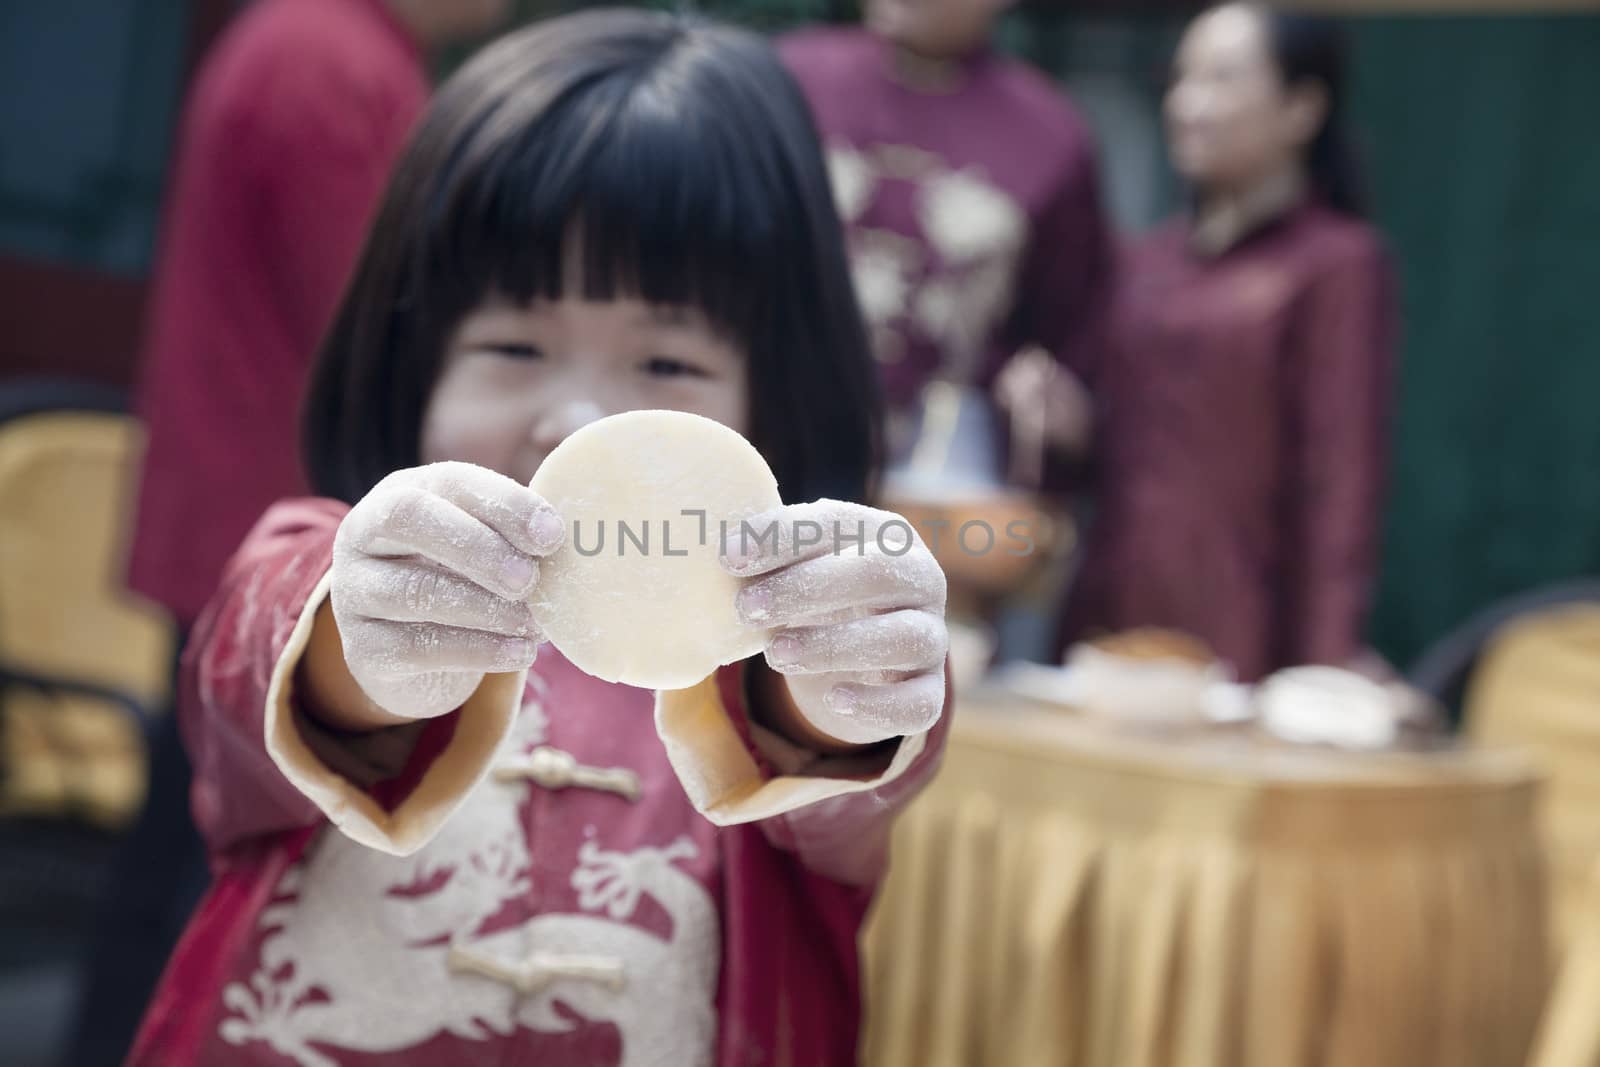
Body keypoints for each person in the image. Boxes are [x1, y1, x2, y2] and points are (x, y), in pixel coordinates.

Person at [127, 10, 951, 1065]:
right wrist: (362, 642)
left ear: (776, 400)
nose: (577, 423)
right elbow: (250, 672)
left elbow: (850, 769)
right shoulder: (327, 572)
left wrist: (852, 664)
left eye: (667, 366)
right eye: (514, 345)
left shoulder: (776, 654)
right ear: (408, 362)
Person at [69, 2, 509, 1062]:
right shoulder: (335, 60)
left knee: (173, 854)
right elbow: (381, 332)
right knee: (223, 870)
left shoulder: (305, 35)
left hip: (240, 503)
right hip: (275, 531)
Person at [1057, 2, 1395, 681]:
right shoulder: (1144, 261)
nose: (1188, 104)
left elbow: (1340, 476)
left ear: (1302, 108)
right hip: (1108, 609)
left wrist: (1323, 662)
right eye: (1182, 79)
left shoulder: (1337, 265)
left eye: (1221, 79)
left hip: (1246, 629)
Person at [778, 0, 1111, 489]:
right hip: (774, 432)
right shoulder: (790, 79)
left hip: (941, 473)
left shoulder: (1051, 136)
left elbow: (1066, 337)